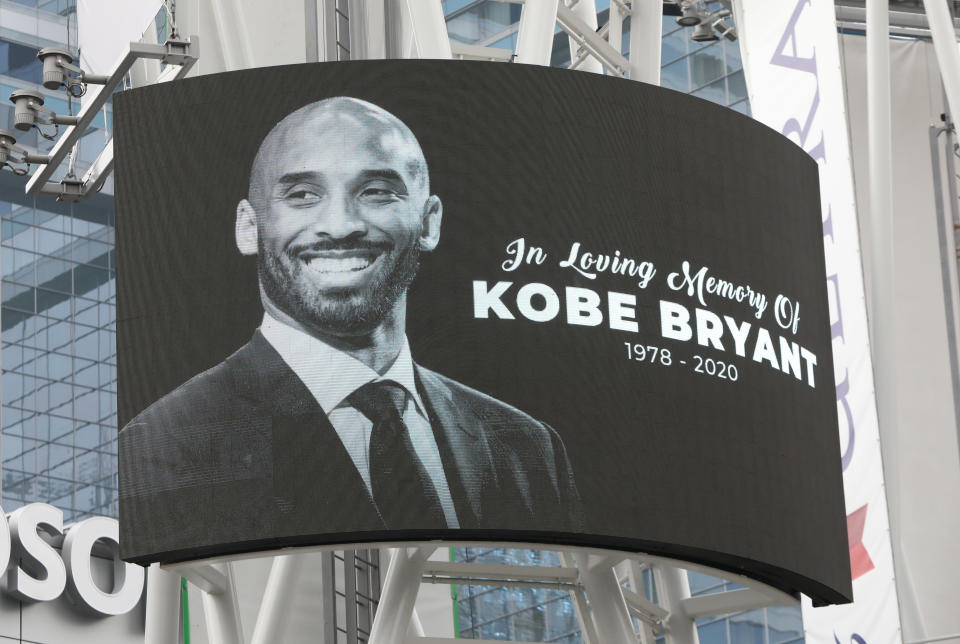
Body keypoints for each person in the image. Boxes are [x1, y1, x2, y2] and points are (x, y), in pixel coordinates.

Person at [119, 97, 581, 560]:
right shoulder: (163, 445)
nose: (339, 226)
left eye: (377, 191)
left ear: (429, 221)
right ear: (247, 226)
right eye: (302, 195)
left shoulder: (526, 445)